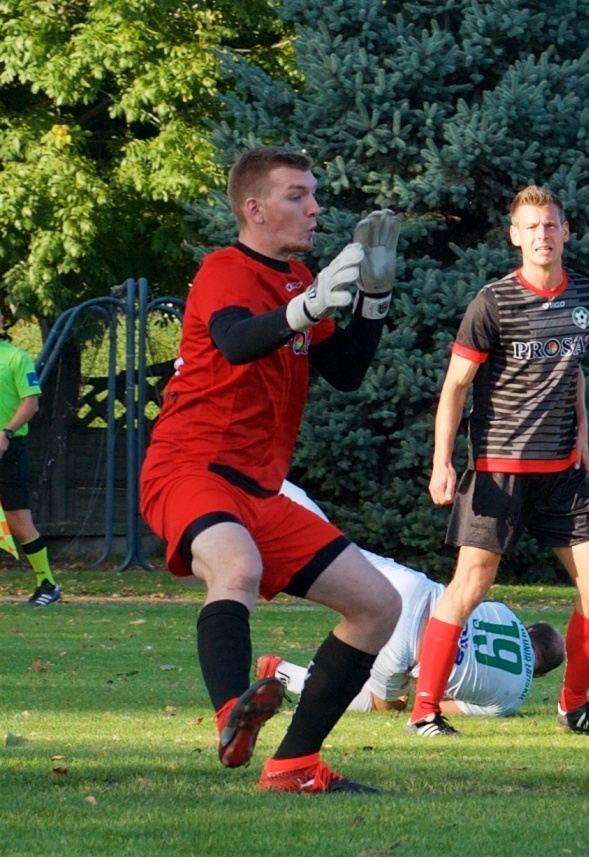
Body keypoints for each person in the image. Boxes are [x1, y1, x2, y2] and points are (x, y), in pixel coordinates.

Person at [138, 146, 404, 794]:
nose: (314, 208)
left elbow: (343, 372)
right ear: (253, 208)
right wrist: (308, 307)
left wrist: (373, 299)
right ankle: (234, 712)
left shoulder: (297, 281)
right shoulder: (228, 268)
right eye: (296, 196)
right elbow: (235, 341)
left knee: (377, 606)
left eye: (313, 194)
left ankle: (293, 765)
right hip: (190, 468)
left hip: (258, 487)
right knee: (238, 569)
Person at [412, 185, 589, 739]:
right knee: (469, 587)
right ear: (515, 237)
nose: (542, 236)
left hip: (561, 474)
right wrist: (443, 462)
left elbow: (572, 368)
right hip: (499, 469)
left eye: (550, 225)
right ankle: (424, 712)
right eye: (531, 228)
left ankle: (574, 706)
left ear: (566, 231)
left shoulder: (586, 294)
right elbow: (455, 387)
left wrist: (581, 433)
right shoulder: (493, 302)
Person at [261, 481, 565, 716]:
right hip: (406, 647)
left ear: (529, 630)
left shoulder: (505, 614)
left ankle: (270, 484)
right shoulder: (510, 701)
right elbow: (444, 705)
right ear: (539, 674)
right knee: (383, 705)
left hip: (412, 586)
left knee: (326, 541)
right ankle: (281, 672)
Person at [0, 306, 58, 605]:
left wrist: (6, 433)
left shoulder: (16, 358)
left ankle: (47, 584)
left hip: (8, 452)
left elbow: (30, 404)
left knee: (18, 521)